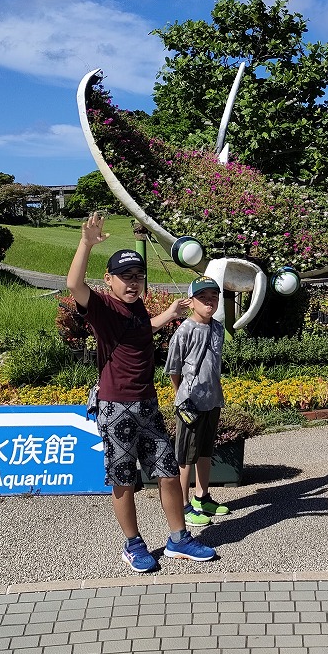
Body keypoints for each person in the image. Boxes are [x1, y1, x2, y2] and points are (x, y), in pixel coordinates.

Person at [66, 213, 216, 572]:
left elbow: (141, 328)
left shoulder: (134, 309)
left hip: (147, 403)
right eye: (125, 277)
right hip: (115, 406)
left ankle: (179, 538)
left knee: (167, 469)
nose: (133, 283)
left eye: (138, 276)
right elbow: (74, 284)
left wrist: (167, 313)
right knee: (123, 478)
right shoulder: (102, 307)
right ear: (109, 280)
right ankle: (133, 545)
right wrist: (86, 243)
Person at [165, 275, 230, 528]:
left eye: (213, 297)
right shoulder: (185, 330)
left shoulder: (218, 328)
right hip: (190, 402)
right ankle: (183, 506)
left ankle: (202, 496)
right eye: (202, 297)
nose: (209, 302)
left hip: (212, 398)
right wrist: (181, 395)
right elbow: (174, 368)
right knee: (185, 456)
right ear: (190, 301)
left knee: (205, 451)